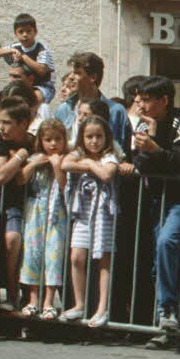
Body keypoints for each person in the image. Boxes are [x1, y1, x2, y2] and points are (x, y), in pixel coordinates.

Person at [128, 75, 180, 332]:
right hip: (154, 198)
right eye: (139, 100)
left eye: (146, 100)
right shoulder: (144, 124)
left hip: (179, 198)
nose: (141, 105)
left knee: (167, 242)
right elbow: (140, 163)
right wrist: (152, 140)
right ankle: (160, 321)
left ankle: (168, 308)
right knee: (157, 255)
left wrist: (155, 148)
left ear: (164, 100)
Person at [61, 115, 119, 328]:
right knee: (77, 257)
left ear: (106, 137)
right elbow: (65, 163)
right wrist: (87, 162)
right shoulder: (79, 153)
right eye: (89, 137)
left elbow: (106, 174)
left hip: (104, 212)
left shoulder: (110, 155)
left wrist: (88, 164)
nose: (94, 141)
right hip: (83, 212)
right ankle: (79, 304)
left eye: (99, 136)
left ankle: (102, 308)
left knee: (103, 259)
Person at [0, 99, 35, 312]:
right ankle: (13, 296)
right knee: (12, 240)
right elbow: (0, 175)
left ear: (23, 123)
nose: (1, 127)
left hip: (35, 202)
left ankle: (34, 300)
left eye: (6, 123)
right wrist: (21, 157)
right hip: (7, 204)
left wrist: (30, 161)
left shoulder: (35, 140)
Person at [19, 119, 69, 320]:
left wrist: (57, 166)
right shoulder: (36, 158)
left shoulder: (66, 160)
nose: (53, 144)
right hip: (35, 211)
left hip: (57, 213)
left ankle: (49, 301)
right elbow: (21, 179)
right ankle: (33, 299)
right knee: (33, 253)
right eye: (48, 139)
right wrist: (33, 164)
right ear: (40, 140)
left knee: (53, 254)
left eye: (58, 139)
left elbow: (65, 187)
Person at [54, 53, 131, 154]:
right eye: (72, 72)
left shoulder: (115, 111)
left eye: (77, 73)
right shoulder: (64, 109)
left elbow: (121, 152)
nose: (71, 77)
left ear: (93, 77)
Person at [0, 14, 56, 104]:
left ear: (35, 32)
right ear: (15, 34)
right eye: (21, 32)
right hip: (20, 84)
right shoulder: (15, 47)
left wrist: (23, 57)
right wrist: (11, 51)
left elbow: (42, 70)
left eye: (28, 31)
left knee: (33, 102)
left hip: (42, 85)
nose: (25, 35)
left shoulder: (42, 49)